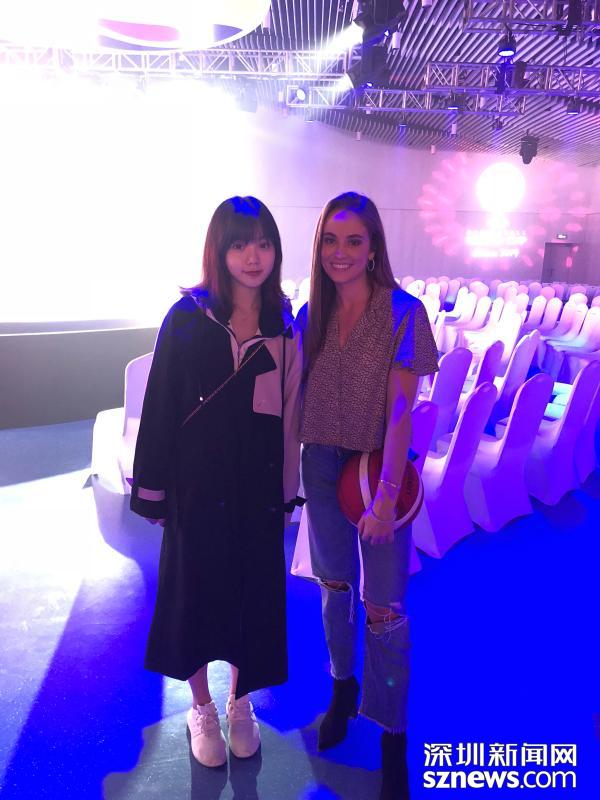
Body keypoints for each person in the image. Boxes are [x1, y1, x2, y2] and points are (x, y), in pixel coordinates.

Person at [129, 196, 303, 768]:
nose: (253, 257)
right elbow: (159, 407)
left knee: (251, 597)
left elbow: (290, 418)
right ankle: (201, 705)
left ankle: (240, 700)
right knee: (197, 595)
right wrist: (154, 489)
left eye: (264, 244)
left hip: (256, 490)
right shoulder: (187, 319)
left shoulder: (284, 325)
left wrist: (286, 494)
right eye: (239, 244)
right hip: (197, 488)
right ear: (218, 250)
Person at [297, 192, 439, 799]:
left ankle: (392, 734)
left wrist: (384, 499)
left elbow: (401, 410)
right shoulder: (313, 312)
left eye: (354, 241)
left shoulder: (403, 311)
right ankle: (342, 687)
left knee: (384, 606)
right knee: (333, 585)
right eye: (330, 240)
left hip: (377, 470)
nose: (341, 252)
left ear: (374, 247)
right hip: (320, 463)